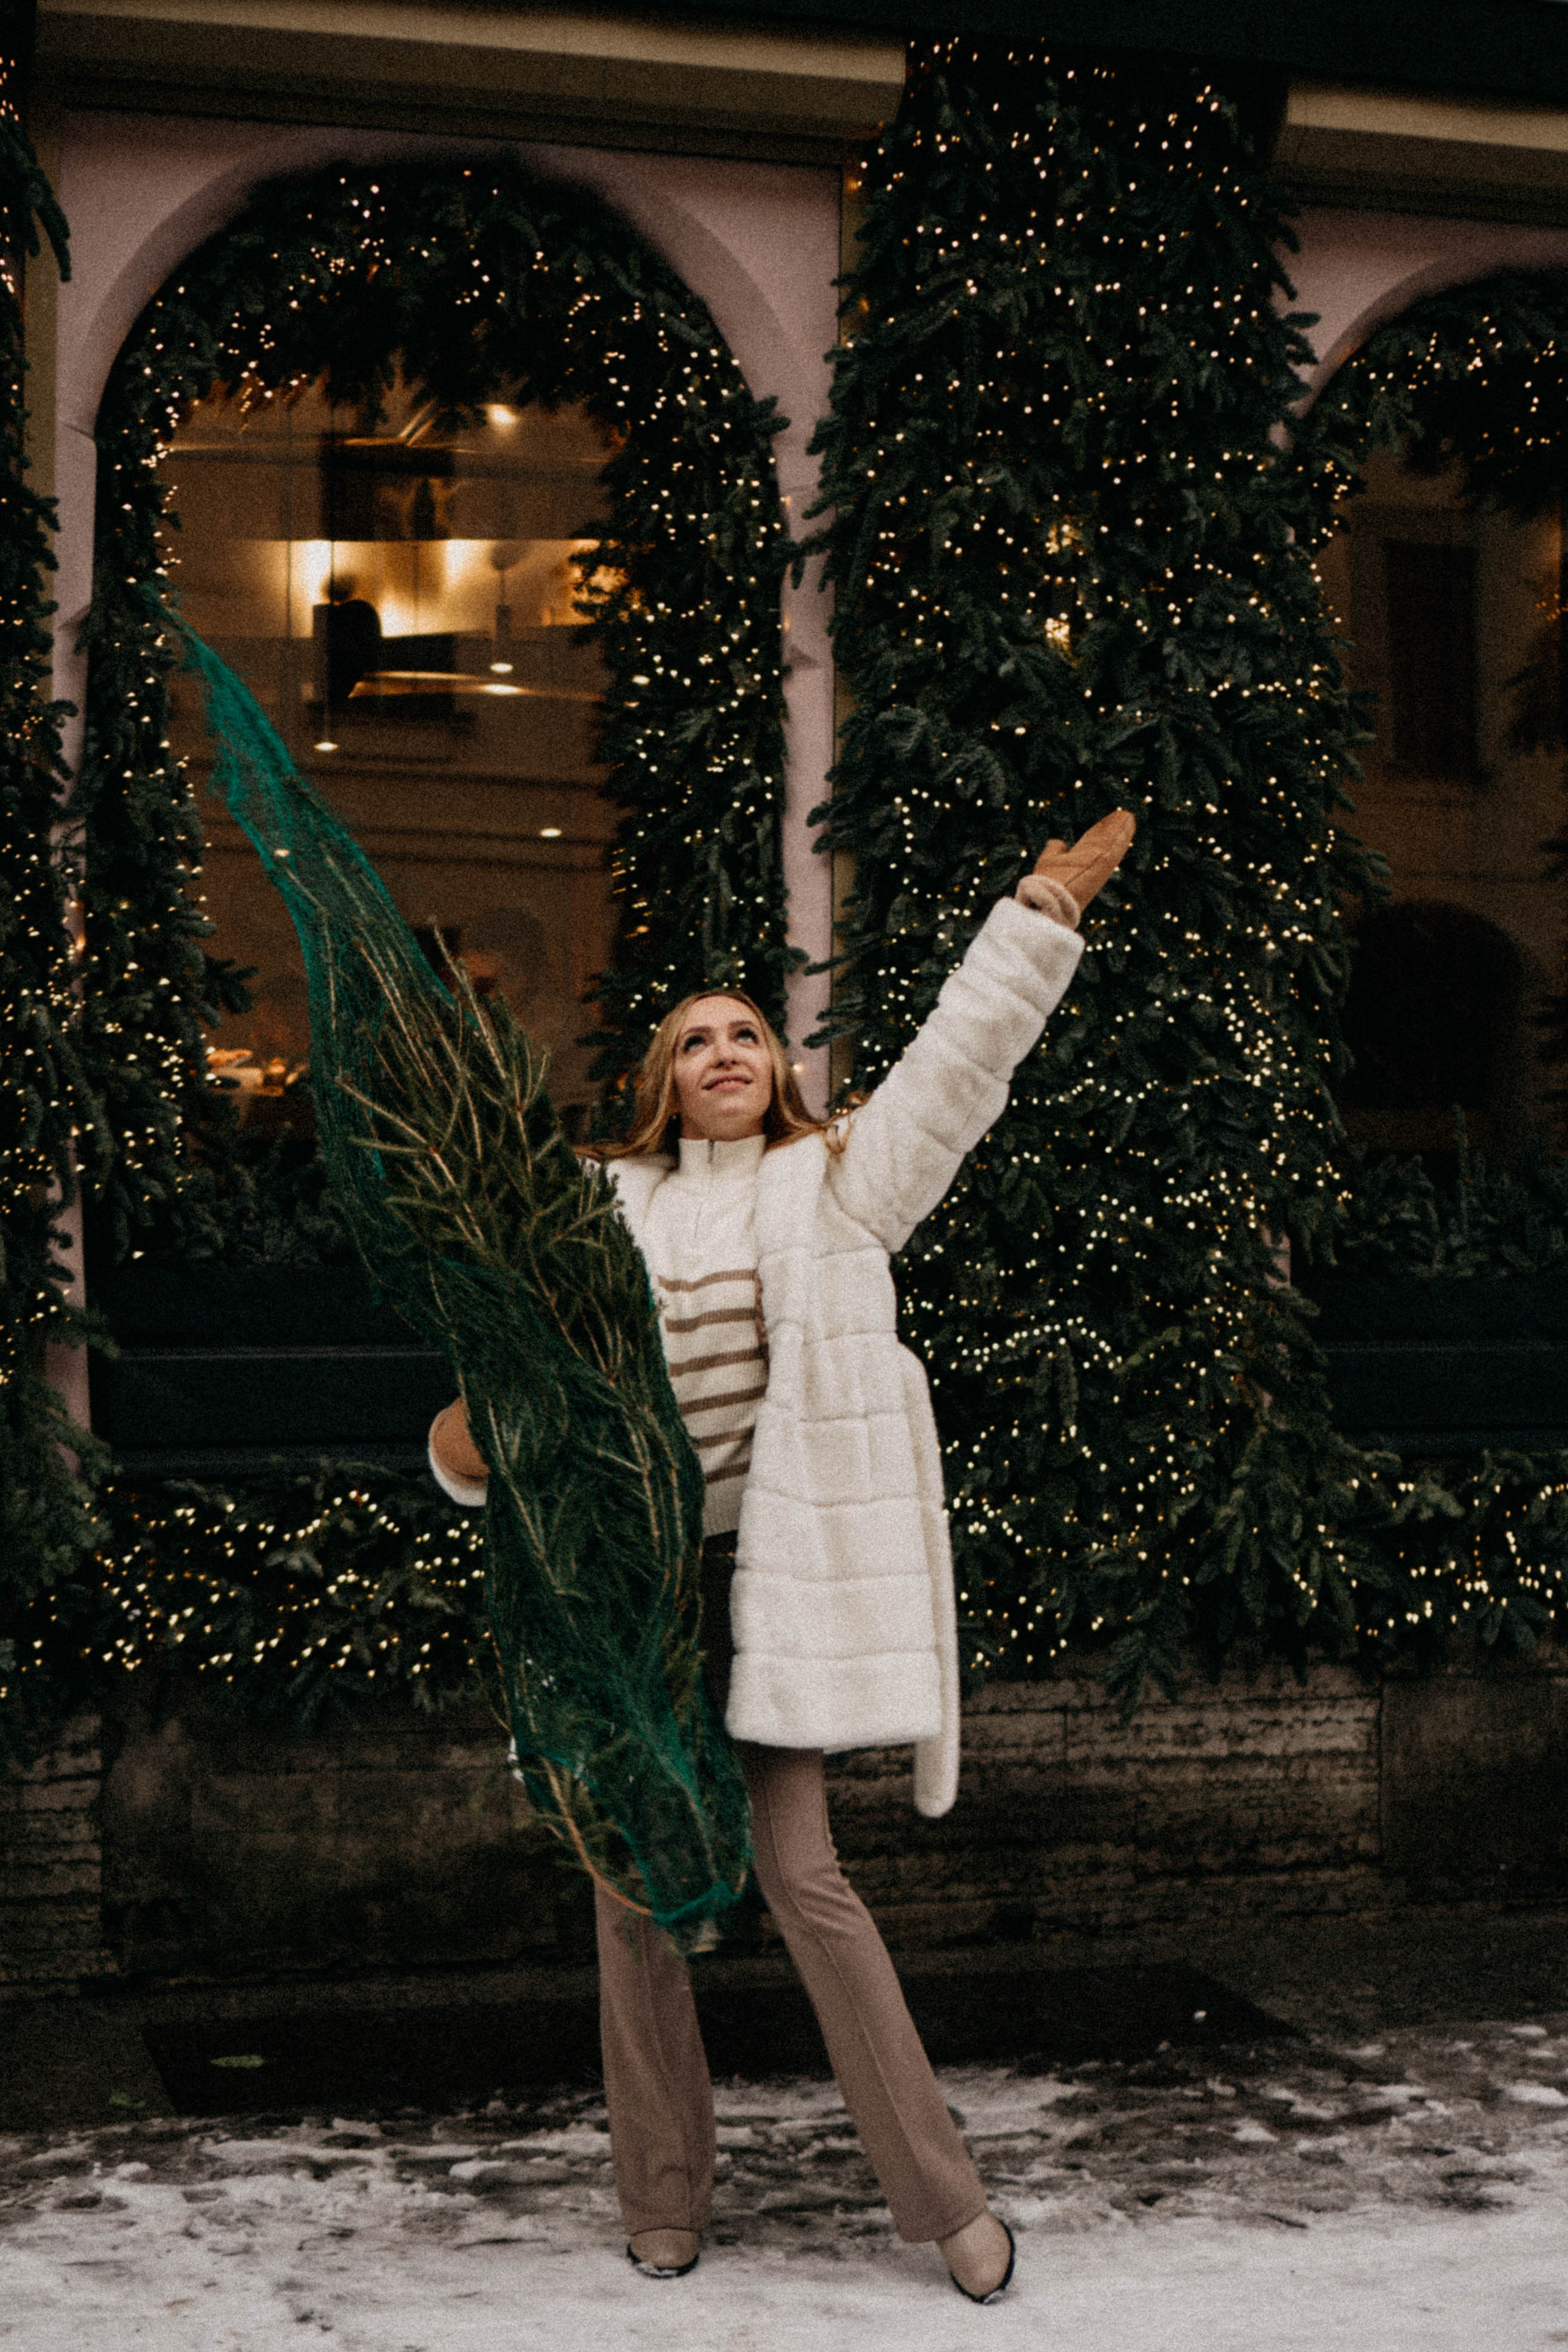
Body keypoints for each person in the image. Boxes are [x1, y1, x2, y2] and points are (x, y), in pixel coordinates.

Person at [429, 810, 1136, 2302]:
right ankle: (661, 2191)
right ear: (661, 1082)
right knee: (631, 1895)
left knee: (804, 1882)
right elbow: (521, 1380)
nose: (726, 1053)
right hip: (636, 1599)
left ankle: (942, 2201)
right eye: (697, 1041)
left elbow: (954, 1075)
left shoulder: (840, 1186)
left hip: (771, 1587)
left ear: (781, 1066)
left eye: (746, 1032)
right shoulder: (596, 1212)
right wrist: (466, 1443)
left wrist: (1033, 923)